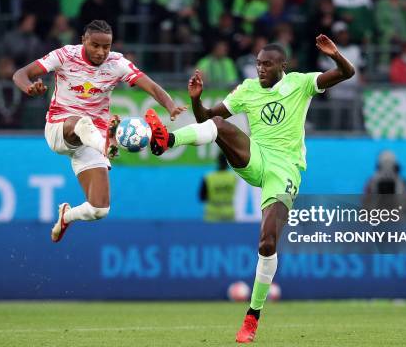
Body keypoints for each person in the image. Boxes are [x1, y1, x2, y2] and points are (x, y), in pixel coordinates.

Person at [144, 34, 355, 343]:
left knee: (267, 242)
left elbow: (347, 74)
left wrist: (335, 54)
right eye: (257, 64)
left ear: (282, 65)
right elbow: (206, 119)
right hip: (255, 157)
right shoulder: (247, 89)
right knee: (219, 127)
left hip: (285, 169)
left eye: (267, 64)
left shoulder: (301, 83)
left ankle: (252, 316)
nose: (260, 70)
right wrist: (195, 100)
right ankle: (167, 140)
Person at [12, 20, 186, 243]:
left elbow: (151, 86)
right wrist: (29, 88)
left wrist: (170, 106)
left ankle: (67, 215)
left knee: (99, 209)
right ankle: (107, 144)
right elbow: (20, 74)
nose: (101, 52)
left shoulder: (117, 63)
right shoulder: (65, 55)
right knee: (83, 123)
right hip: (60, 128)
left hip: (93, 138)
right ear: (83, 40)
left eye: (107, 46)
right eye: (95, 45)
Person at [200, 154, 237, 222]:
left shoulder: (208, 177)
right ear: (228, 163)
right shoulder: (233, 177)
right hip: (228, 214)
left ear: (218, 161)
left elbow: (202, 197)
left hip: (212, 215)